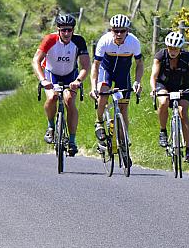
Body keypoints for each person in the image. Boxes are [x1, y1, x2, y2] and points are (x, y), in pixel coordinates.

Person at [32, 13, 90, 156]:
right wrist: (43, 80)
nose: (66, 33)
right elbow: (36, 61)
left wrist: (78, 81)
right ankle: (51, 126)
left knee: (69, 100)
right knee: (52, 98)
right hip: (51, 73)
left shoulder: (79, 41)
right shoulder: (49, 39)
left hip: (71, 75)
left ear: (73, 30)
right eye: (63, 30)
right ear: (58, 30)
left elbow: (85, 66)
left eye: (69, 30)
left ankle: (72, 140)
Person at [90, 14, 144, 151]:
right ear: (111, 30)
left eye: (122, 31)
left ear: (128, 31)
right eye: (115, 30)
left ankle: (123, 138)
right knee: (103, 93)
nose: (119, 34)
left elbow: (139, 64)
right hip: (106, 70)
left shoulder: (134, 42)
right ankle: (99, 121)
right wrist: (93, 86)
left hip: (123, 74)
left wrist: (137, 82)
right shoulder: (104, 41)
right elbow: (95, 66)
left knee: (123, 107)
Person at [150, 31, 189, 163]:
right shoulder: (160, 56)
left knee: (183, 112)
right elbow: (154, 76)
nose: (173, 51)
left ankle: (188, 150)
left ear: (180, 48)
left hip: (182, 85)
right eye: (170, 48)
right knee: (164, 101)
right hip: (164, 85)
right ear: (167, 47)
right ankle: (163, 131)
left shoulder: (188, 57)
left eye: (176, 49)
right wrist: (154, 89)